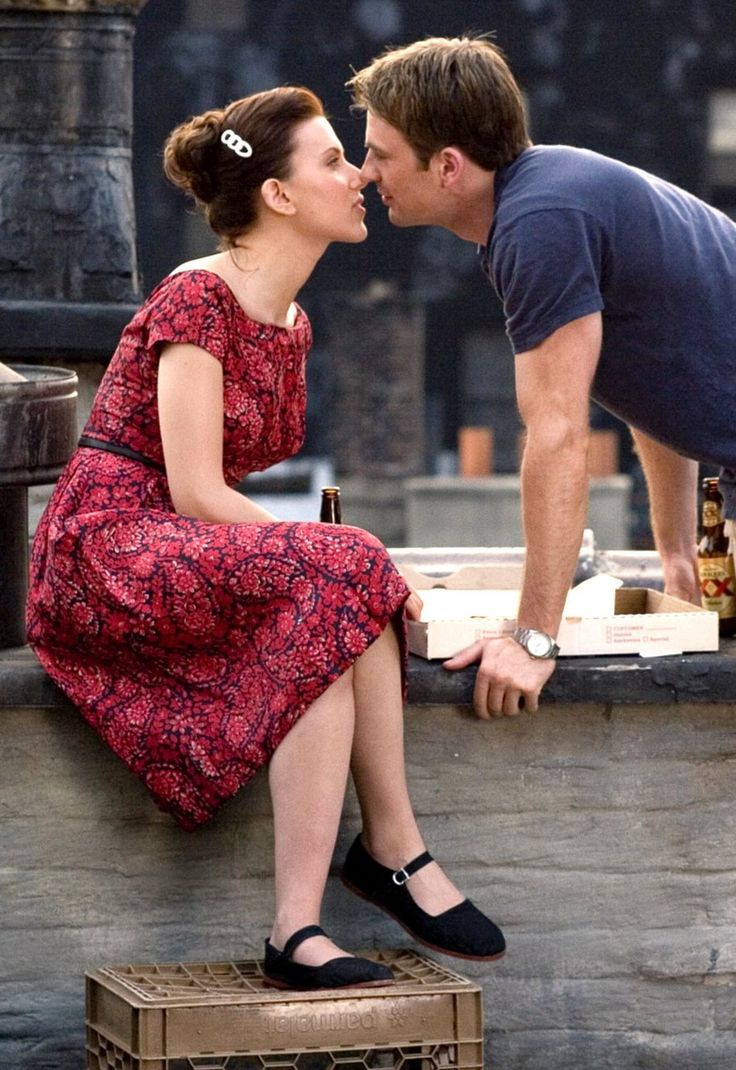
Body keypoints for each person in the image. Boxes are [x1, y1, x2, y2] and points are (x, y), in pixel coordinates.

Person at [25, 87, 505, 991]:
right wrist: (356, 560)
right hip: (106, 544)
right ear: (278, 196)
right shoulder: (198, 296)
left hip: (178, 545)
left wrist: (341, 566)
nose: (359, 172)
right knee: (350, 564)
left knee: (325, 622)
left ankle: (298, 929)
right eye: (332, 161)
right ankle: (395, 845)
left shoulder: (293, 320)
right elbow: (199, 489)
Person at [348, 36, 736, 719]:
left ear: (446, 166)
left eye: (380, 154)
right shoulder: (545, 201)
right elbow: (651, 376)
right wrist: (673, 555)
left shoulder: (540, 226)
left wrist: (533, 637)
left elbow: (557, 437)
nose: (363, 173)